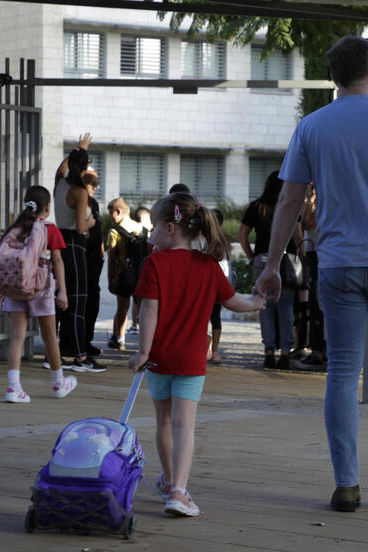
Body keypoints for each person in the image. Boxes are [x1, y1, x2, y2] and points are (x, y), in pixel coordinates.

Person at [252, 36, 368, 512]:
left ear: (333, 75)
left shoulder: (312, 127)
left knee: (341, 369)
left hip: (337, 264)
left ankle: (346, 484)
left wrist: (272, 265)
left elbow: (290, 201)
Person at [126, 192, 265, 517]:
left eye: (156, 227)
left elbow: (148, 309)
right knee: (184, 426)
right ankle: (178, 491)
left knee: (162, 422)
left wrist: (143, 352)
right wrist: (257, 303)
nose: (152, 234)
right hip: (191, 362)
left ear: (171, 228)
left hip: (158, 359)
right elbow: (232, 302)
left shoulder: (155, 263)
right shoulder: (209, 266)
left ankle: (170, 481)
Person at [0, 185, 77, 403]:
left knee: (17, 337)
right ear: (48, 207)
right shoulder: (50, 230)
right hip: (41, 287)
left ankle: (14, 388)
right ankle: (59, 383)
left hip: (16, 287)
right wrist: (62, 291)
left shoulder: (15, 228)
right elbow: (58, 261)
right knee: (50, 336)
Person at [239, 170, 301, 369]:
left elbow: (242, 235)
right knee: (286, 305)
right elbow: (298, 236)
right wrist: (304, 256)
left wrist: (252, 256)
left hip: (262, 258)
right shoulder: (290, 207)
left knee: (263, 305)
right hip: (287, 260)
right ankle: (285, 351)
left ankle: (268, 351)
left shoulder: (256, 206)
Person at [54, 133, 104, 373]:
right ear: (85, 168)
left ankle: (60, 352)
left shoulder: (60, 183)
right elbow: (82, 226)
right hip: (75, 243)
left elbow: (60, 168)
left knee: (63, 299)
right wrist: (92, 222)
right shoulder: (79, 191)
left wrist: (77, 149)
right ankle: (80, 356)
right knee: (78, 300)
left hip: (58, 241)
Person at [106, 197, 149, 349]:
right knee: (143, 310)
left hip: (124, 276)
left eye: (111, 214)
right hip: (141, 275)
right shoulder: (143, 230)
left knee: (122, 309)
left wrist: (111, 280)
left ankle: (120, 338)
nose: (111, 218)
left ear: (118, 212)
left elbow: (112, 258)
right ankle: (146, 342)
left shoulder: (114, 232)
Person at [293, 183, 327, 372]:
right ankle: (317, 350)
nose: (313, 190)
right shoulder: (311, 205)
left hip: (323, 256)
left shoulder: (325, 204)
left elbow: (309, 222)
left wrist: (312, 200)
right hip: (314, 256)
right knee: (313, 305)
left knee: (319, 305)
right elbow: (302, 224)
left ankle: (320, 351)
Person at [82, 170, 105, 358]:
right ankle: (79, 341)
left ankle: (87, 340)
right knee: (84, 299)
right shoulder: (79, 200)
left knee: (93, 299)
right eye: (92, 184)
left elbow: (98, 229)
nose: (95, 188)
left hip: (95, 258)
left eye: (96, 184)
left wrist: (101, 250)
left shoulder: (94, 203)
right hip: (83, 256)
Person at [209, 207, 231, 364]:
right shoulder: (223, 239)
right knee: (213, 317)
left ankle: (211, 349)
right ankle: (212, 350)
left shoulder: (214, 239)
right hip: (216, 284)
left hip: (213, 284)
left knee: (210, 317)